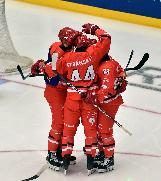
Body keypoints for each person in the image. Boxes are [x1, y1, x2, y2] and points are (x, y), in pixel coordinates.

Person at [45, 23, 111, 175]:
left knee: (68, 130)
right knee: (90, 131)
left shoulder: (67, 57)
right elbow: (106, 39)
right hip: (89, 101)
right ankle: (90, 161)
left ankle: (65, 159)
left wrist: (43, 65)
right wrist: (95, 30)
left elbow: (52, 68)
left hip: (71, 100)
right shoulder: (93, 53)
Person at [31, 27, 78, 171]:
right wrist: (44, 67)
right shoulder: (57, 50)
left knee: (67, 121)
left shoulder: (68, 50)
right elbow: (53, 74)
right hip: (55, 92)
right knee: (59, 122)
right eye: (72, 39)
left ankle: (61, 150)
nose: (75, 41)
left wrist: (42, 65)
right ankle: (52, 153)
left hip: (65, 91)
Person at [86, 53, 127, 173]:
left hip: (109, 102)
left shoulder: (106, 67)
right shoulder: (109, 62)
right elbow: (121, 78)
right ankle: (103, 152)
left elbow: (108, 90)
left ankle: (109, 158)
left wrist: (93, 96)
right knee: (99, 129)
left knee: (104, 130)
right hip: (106, 101)